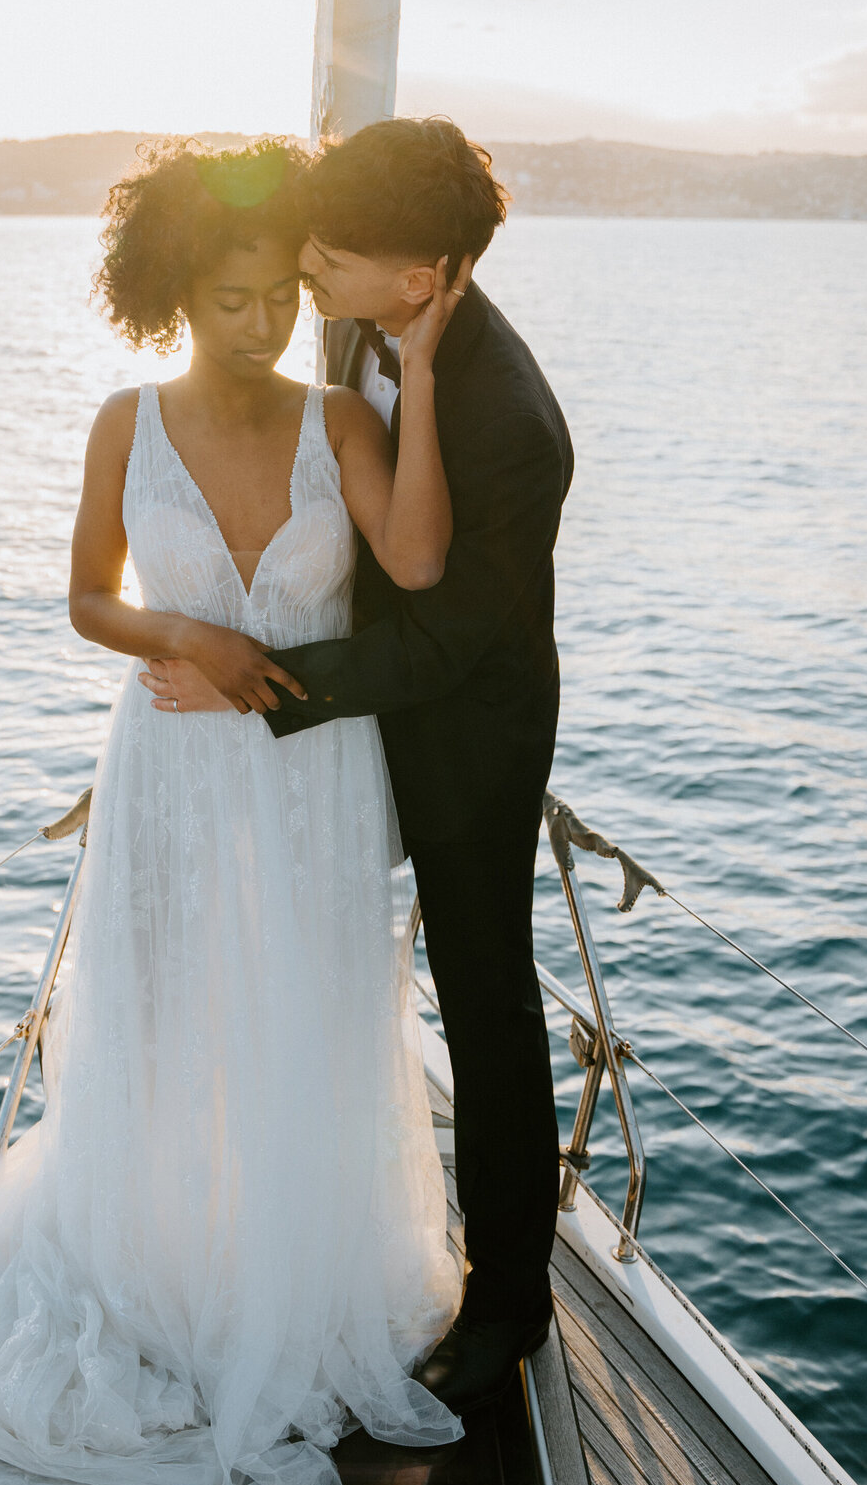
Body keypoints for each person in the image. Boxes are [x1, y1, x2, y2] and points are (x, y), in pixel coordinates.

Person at [0, 138, 469, 1485]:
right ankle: (171, 1279)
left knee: (311, 1027)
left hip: (315, 782)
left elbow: (424, 568)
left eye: (278, 297)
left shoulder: (346, 416)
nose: (261, 323)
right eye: (232, 298)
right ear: (174, 294)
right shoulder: (122, 420)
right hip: (172, 777)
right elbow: (87, 597)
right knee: (170, 1022)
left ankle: (288, 1281)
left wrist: (423, 373)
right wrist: (183, 629)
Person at [142, 118, 574, 1415]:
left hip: (463, 742)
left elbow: (458, 634)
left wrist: (259, 682)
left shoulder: (512, 422)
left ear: (423, 281)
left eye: (332, 258)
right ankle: (248, 1229)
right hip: (345, 723)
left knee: (485, 1003)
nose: (309, 275)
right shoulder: (355, 317)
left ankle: (510, 1305)